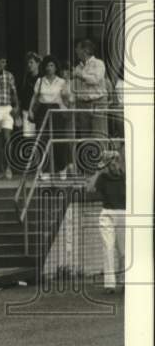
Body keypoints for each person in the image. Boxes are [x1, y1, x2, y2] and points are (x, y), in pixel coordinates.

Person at [91, 149, 126, 294]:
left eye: (116, 161)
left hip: (123, 214)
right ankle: (110, 285)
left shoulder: (125, 177)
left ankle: (125, 281)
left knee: (124, 251)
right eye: (111, 162)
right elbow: (90, 188)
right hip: (107, 214)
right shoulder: (103, 177)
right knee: (108, 248)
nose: (114, 165)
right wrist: (98, 170)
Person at [29, 55, 70, 172]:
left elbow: (67, 97)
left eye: (52, 65)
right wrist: (31, 110)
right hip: (42, 111)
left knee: (59, 141)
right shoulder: (40, 81)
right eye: (47, 65)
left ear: (56, 67)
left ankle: (62, 169)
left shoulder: (61, 81)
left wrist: (67, 84)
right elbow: (35, 97)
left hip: (57, 112)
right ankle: (44, 169)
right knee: (42, 140)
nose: (49, 68)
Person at [72, 38, 109, 139]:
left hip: (98, 102)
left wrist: (81, 75)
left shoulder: (99, 63)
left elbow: (95, 80)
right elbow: (75, 88)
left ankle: (102, 154)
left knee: (99, 134)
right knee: (85, 136)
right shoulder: (78, 67)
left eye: (78, 48)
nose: (76, 51)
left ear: (85, 50)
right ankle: (87, 154)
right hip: (83, 104)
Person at [19, 53, 42, 135]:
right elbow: (22, 96)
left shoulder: (42, 78)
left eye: (31, 62)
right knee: (29, 137)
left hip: (39, 111)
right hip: (26, 111)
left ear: (37, 63)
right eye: (28, 63)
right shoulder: (25, 78)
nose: (29, 65)